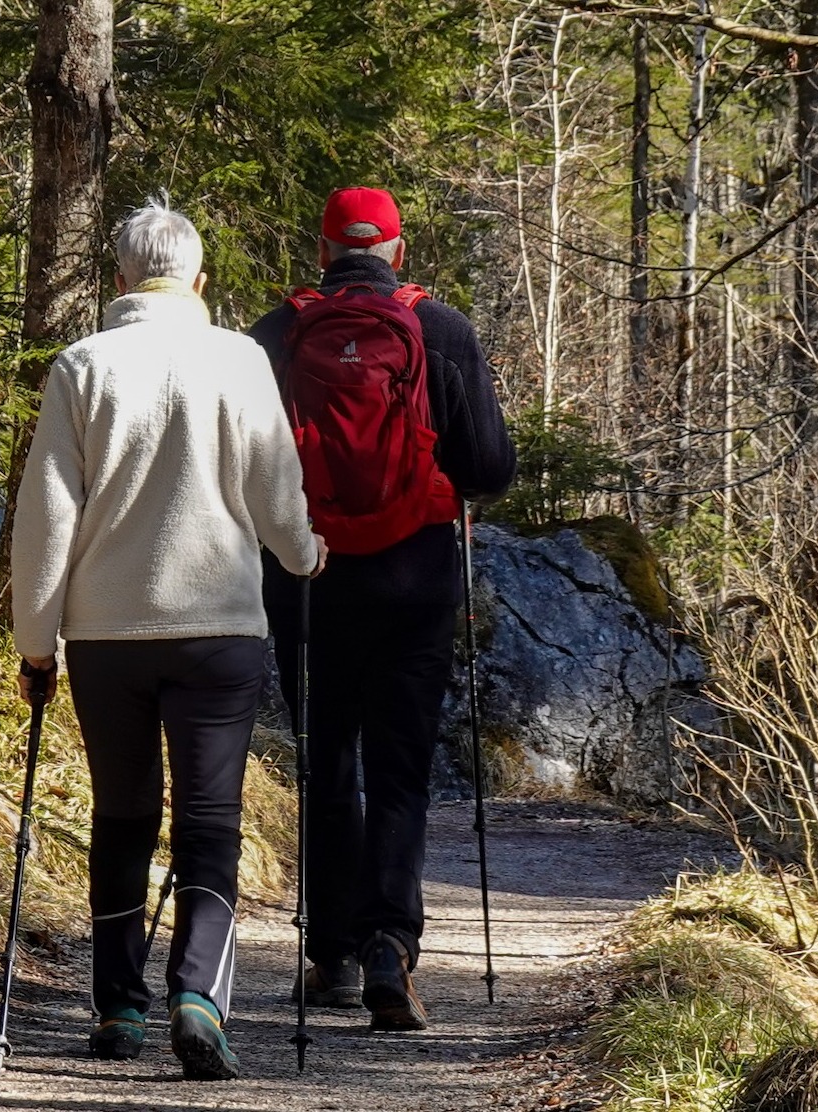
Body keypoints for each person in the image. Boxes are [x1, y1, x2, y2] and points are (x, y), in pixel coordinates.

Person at [12, 199, 326, 1081]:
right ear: (199, 276)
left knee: (121, 818)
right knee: (210, 821)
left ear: (119, 278)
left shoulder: (83, 365)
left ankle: (118, 1008)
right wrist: (304, 557)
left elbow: (47, 516)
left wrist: (37, 642)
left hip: (106, 634)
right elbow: (276, 486)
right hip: (220, 630)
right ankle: (199, 995)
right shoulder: (241, 359)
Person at [251, 186, 516, 1032]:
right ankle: (390, 952)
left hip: (307, 577)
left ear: (323, 250)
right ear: (397, 252)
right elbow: (489, 467)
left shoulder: (279, 333)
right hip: (415, 579)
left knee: (326, 761)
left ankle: (329, 956)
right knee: (400, 767)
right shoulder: (442, 332)